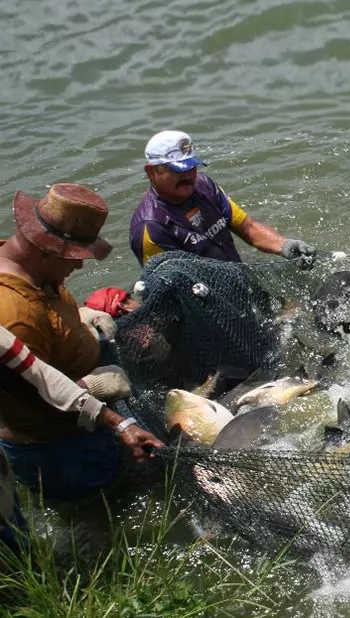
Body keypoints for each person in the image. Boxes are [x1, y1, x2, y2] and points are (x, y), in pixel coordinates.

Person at [0, 184, 148, 502]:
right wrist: (91, 388)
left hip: (83, 426)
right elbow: (30, 395)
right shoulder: (13, 313)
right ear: (43, 248)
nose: (80, 266)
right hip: (59, 449)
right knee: (105, 510)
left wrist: (82, 315)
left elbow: (48, 320)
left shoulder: (37, 274)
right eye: (74, 257)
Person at [1, 325, 162, 552]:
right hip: (45, 444)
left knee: (17, 543)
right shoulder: (16, 315)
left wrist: (118, 422)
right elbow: (28, 398)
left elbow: (37, 376)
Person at [128, 130, 317, 268]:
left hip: (238, 278)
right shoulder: (151, 228)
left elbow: (249, 228)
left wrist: (284, 245)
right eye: (178, 169)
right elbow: (172, 292)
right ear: (152, 171)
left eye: (191, 167)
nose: (187, 175)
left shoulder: (205, 186)